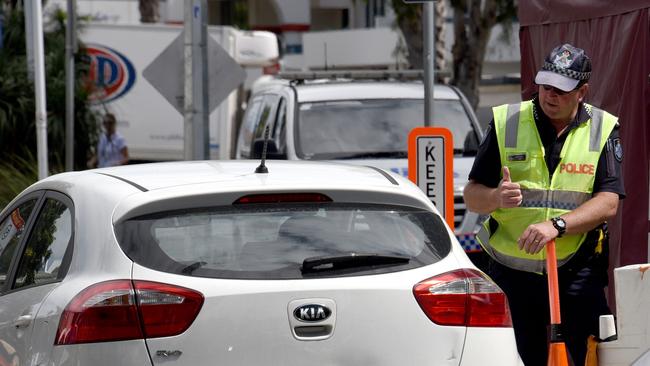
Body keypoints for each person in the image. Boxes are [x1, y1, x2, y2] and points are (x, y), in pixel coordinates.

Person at [463, 43, 625, 366]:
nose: (550, 95)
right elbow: (471, 194)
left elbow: (608, 202)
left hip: (577, 271)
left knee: (585, 357)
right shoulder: (507, 122)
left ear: (582, 92)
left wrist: (558, 226)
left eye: (561, 90)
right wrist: (495, 198)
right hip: (513, 276)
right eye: (545, 86)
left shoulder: (602, 129)